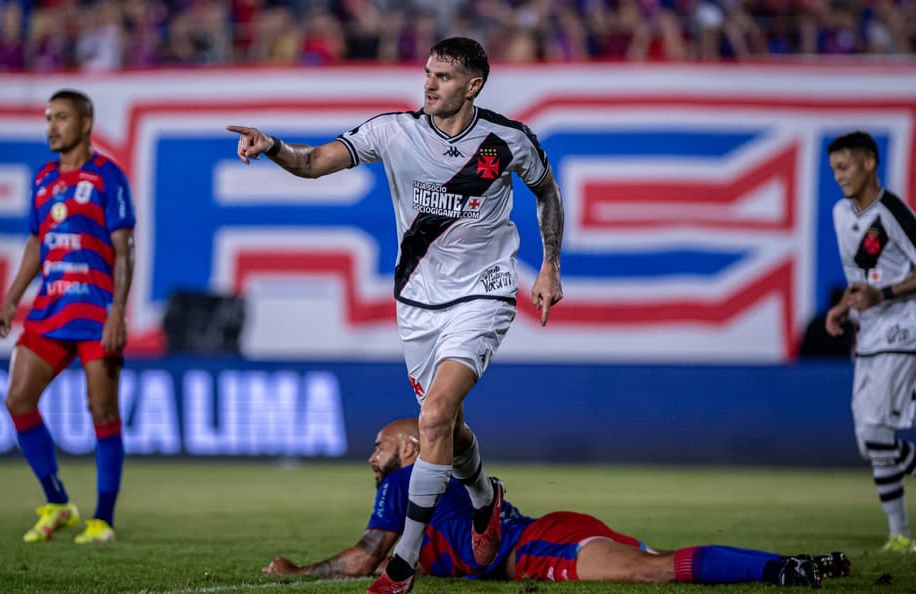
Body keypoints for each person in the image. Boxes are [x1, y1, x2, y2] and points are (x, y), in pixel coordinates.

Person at [227, 37, 564, 593]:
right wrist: (273, 146)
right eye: (427, 74)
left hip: (485, 293)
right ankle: (485, 500)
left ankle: (402, 566)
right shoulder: (394, 131)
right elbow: (312, 163)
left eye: (444, 77)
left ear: (473, 85)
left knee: (432, 418)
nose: (429, 85)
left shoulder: (507, 141)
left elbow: (547, 195)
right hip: (417, 305)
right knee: (447, 427)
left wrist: (549, 265)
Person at [261, 418, 850, 588]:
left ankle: (781, 569)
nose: (372, 456)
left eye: (380, 446)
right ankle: (785, 563)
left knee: (653, 572)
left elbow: (365, 558)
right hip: (552, 526)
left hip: (539, 546)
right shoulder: (420, 478)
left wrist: (295, 572)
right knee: (660, 560)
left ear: (410, 449)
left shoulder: (403, 480)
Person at [0, 89, 135, 544]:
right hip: (51, 309)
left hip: (95, 310)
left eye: (62, 117)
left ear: (86, 122)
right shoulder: (43, 179)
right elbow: (37, 243)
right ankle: (57, 502)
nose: (52, 126)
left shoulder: (108, 176)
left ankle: (103, 519)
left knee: (102, 409)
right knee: (17, 399)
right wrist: (13, 298)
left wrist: (117, 311)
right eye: (48, 118)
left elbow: (123, 250)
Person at [825, 130, 916, 554]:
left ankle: (900, 534)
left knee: (879, 431)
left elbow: (888, 283)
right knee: (868, 440)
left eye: (845, 166)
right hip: (869, 333)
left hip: (903, 329)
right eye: (834, 169)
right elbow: (861, 276)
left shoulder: (894, 211)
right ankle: (899, 535)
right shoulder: (843, 215)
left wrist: (886, 295)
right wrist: (844, 306)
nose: (839, 176)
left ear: (870, 162)